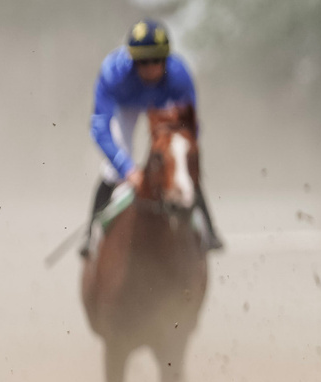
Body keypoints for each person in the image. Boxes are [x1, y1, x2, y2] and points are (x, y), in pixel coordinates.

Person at [86, 18, 223, 252]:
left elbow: (191, 128)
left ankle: (209, 230)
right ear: (132, 59)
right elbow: (99, 129)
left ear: (166, 58)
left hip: (163, 106)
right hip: (125, 106)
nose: (150, 68)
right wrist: (127, 169)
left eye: (157, 60)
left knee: (178, 162)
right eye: (142, 61)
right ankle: (91, 235)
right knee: (111, 170)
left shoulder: (179, 75)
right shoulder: (112, 72)